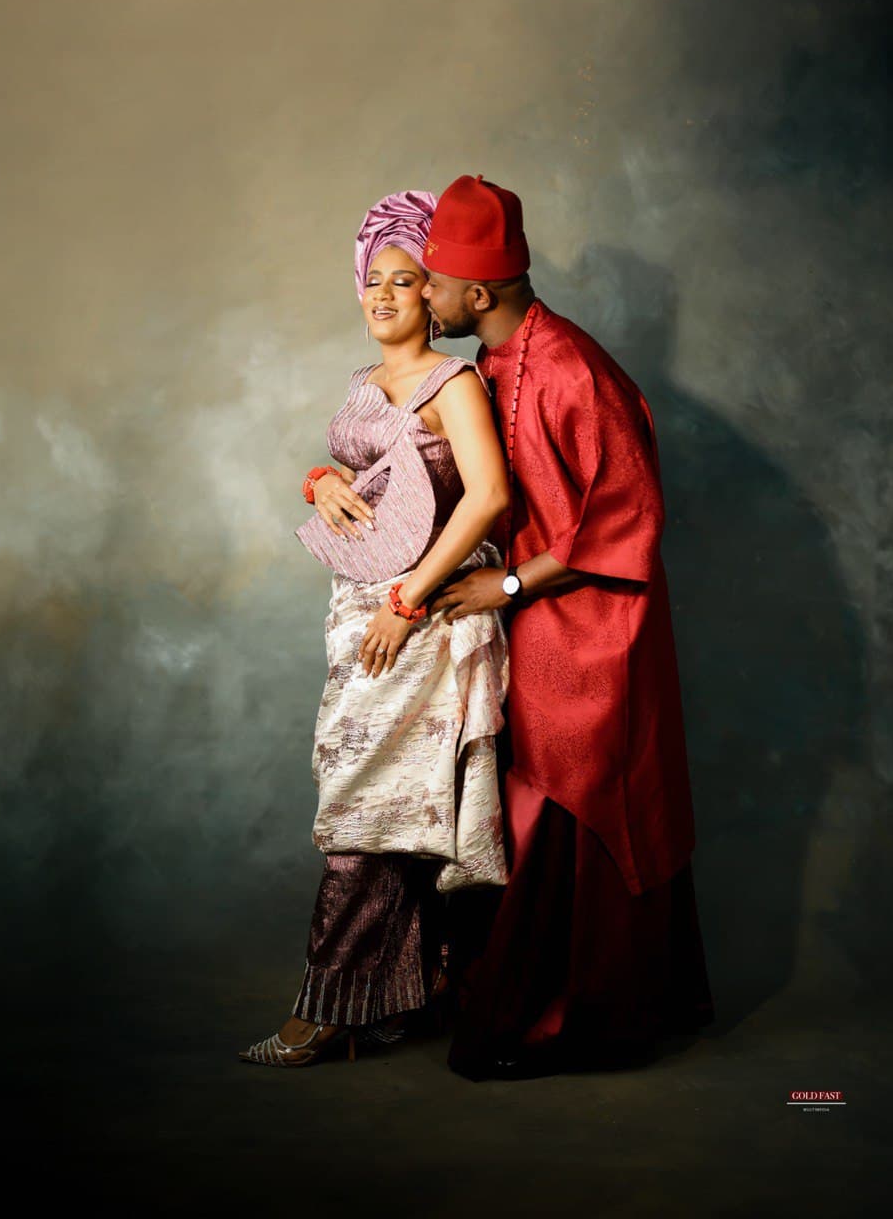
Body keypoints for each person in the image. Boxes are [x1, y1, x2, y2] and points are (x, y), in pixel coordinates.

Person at [421, 174, 715, 1080]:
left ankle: (577, 1025)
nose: (425, 297)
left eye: (434, 283)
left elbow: (628, 519)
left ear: (480, 293)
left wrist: (506, 583)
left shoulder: (569, 369)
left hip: (598, 631)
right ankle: (523, 996)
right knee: (524, 801)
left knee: (575, 803)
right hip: (533, 622)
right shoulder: (494, 365)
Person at [239, 190, 511, 1067]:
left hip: (417, 612)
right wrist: (319, 479)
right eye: (374, 283)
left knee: (365, 809)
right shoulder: (365, 385)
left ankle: (321, 1012)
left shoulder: (451, 382)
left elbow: (489, 497)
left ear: (433, 291)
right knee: (380, 805)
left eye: (406, 281)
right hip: (356, 609)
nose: (387, 296)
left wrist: (408, 602)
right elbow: (371, 481)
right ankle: (397, 1000)